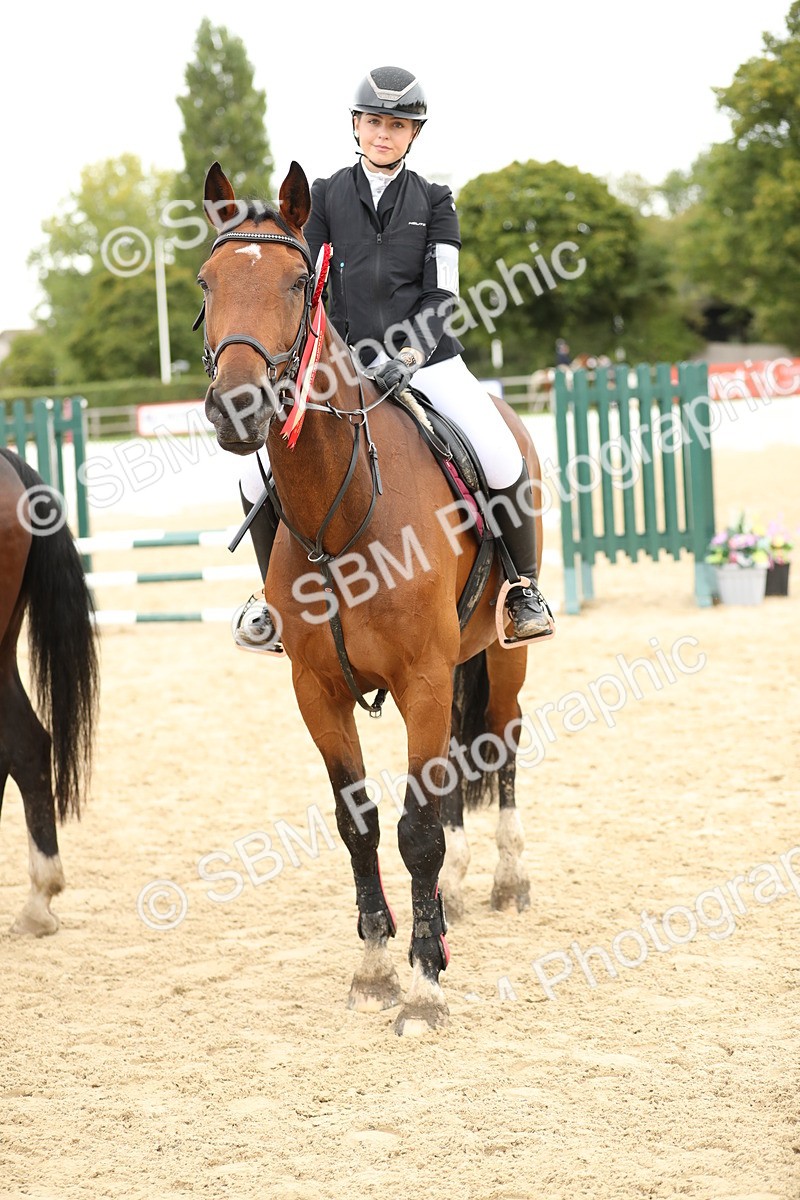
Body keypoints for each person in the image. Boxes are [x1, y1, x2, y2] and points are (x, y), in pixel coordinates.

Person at [233, 65, 553, 652]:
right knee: (252, 475)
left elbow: (443, 293)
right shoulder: (324, 196)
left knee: (504, 455)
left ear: (414, 134)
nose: (384, 133)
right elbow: (308, 280)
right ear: (357, 126)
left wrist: (408, 353)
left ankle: (521, 588)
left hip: (426, 360)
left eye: (398, 125)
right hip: (337, 365)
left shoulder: (435, 201)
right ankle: (274, 603)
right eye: (374, 121)